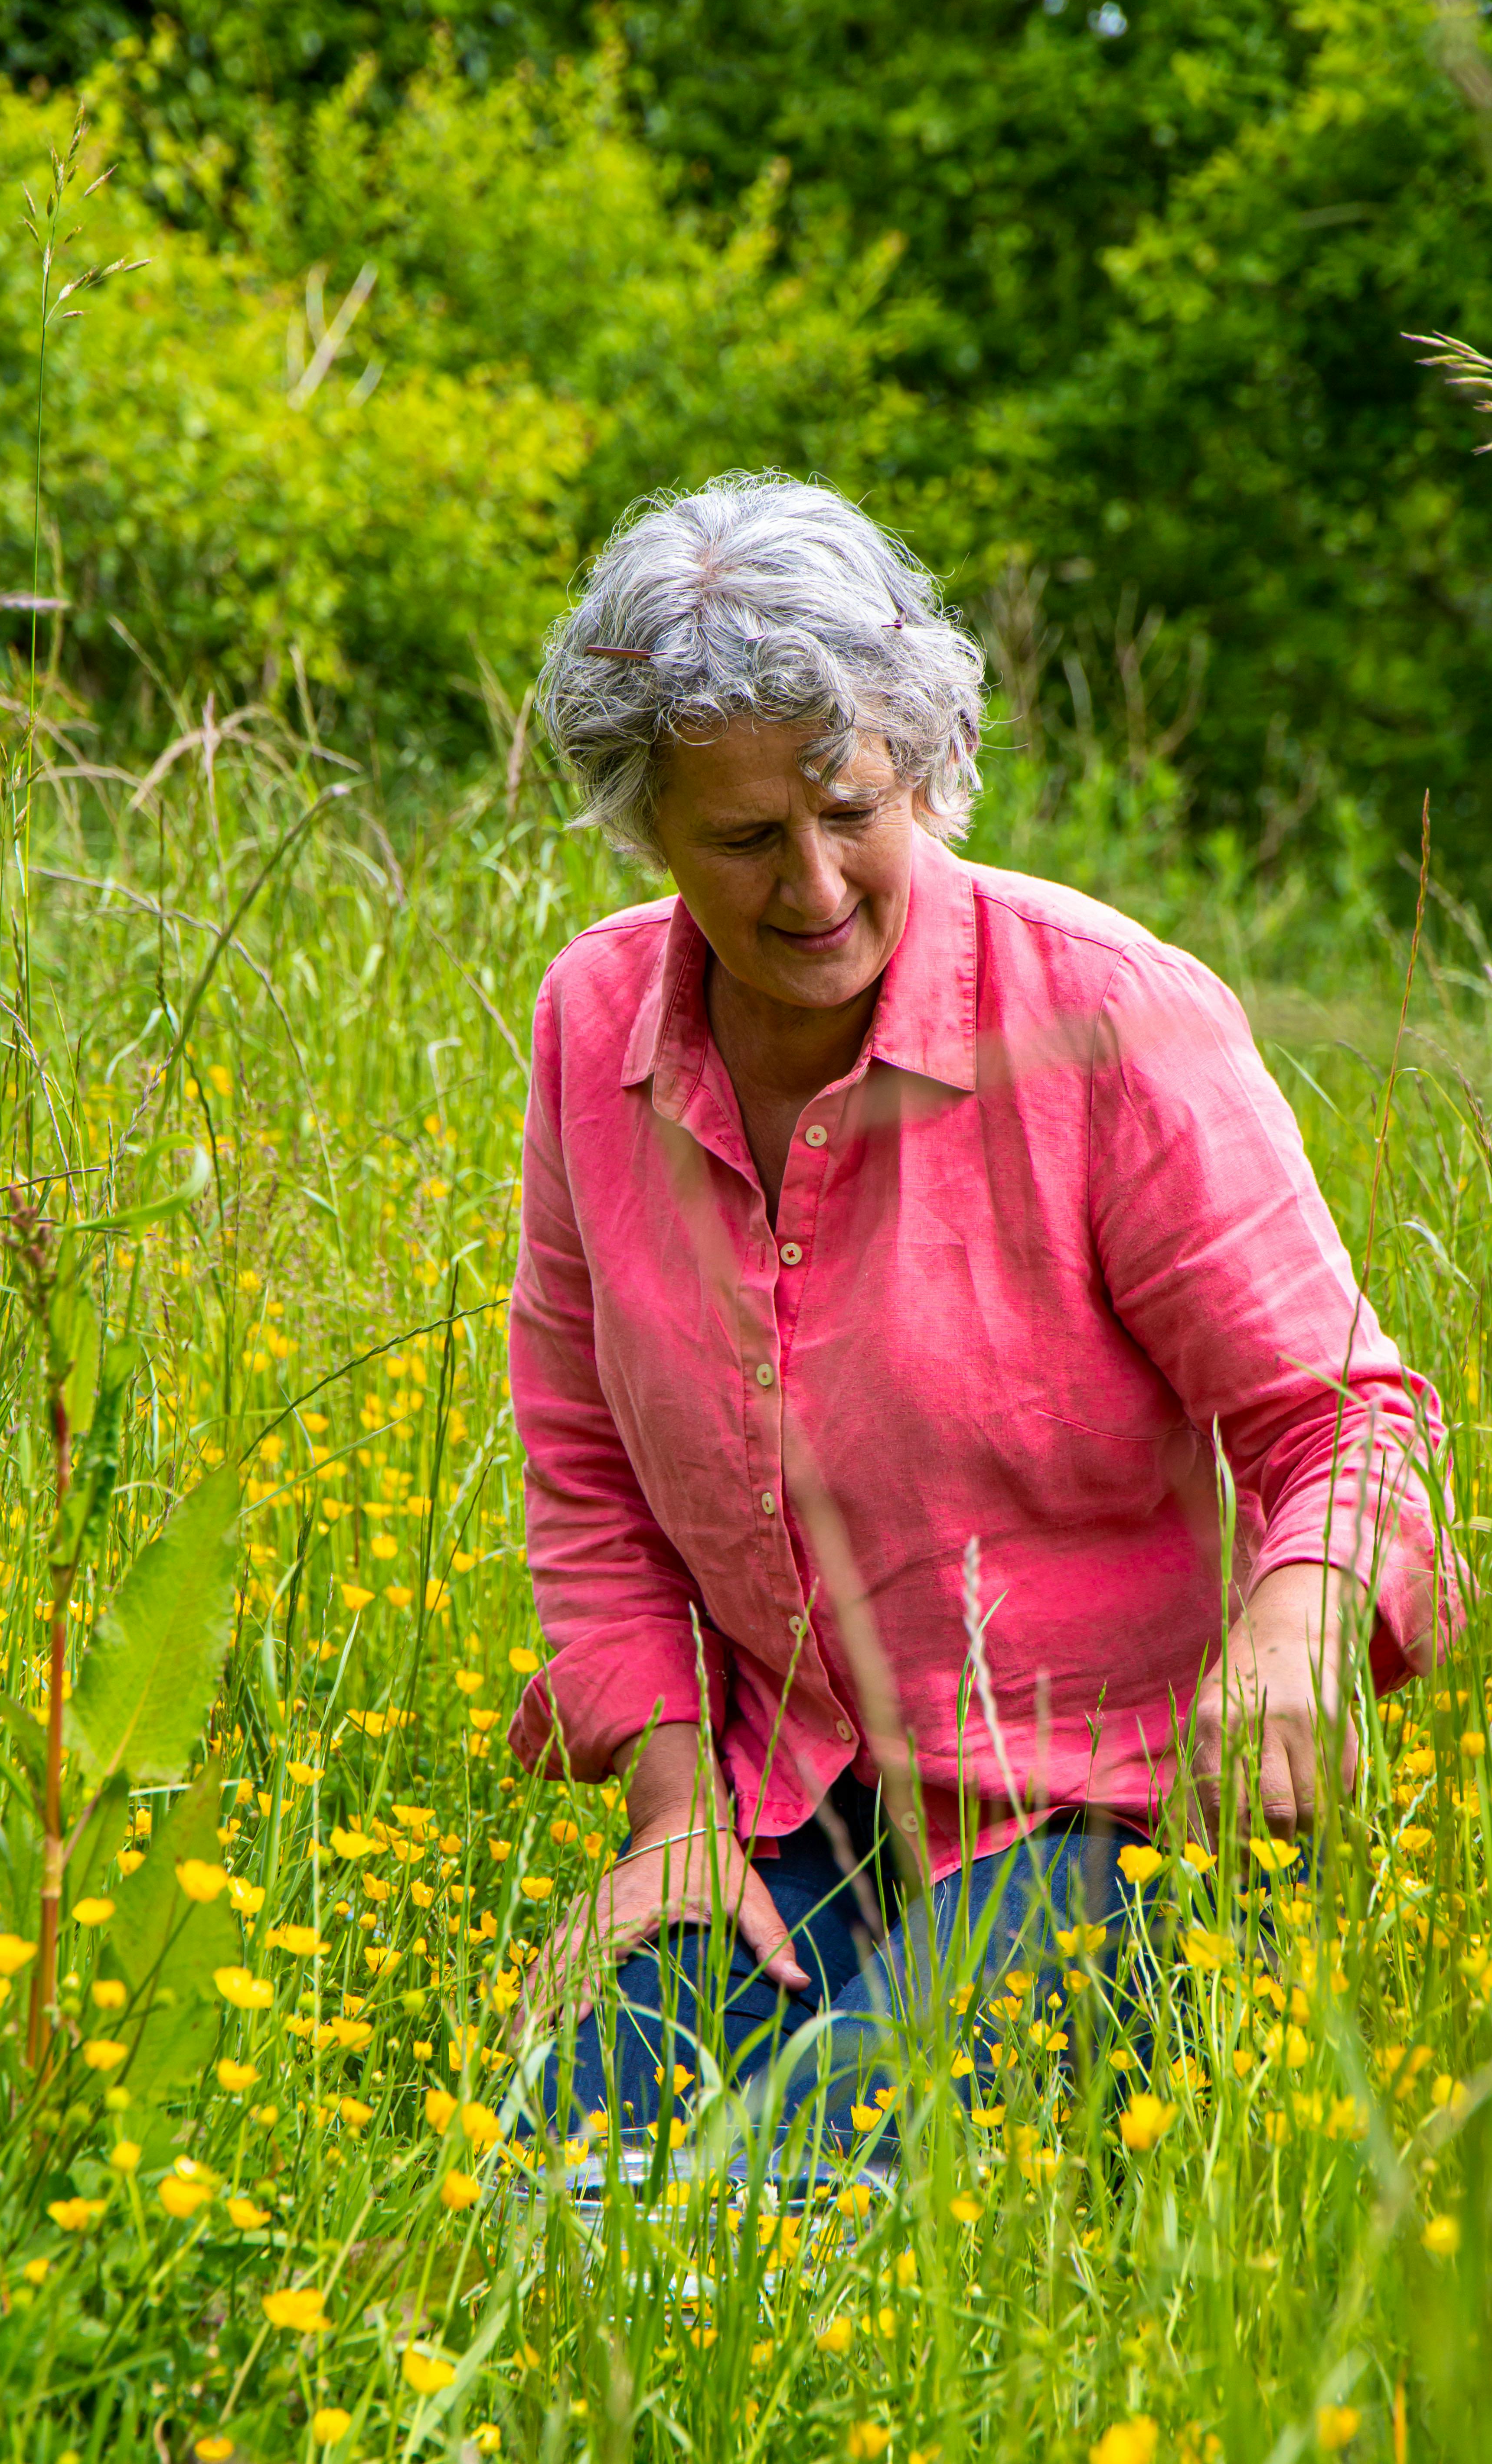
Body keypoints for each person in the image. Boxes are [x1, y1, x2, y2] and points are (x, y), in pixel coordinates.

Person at [501, 470, 1455, 2137]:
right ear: (645, 824)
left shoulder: (1107, 1017)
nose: (812, 885)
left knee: (819, 2165)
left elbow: (1346, 1422)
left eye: (852, 811)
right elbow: (586, 1463)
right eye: (743, 838)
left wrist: (1299, 1629)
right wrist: (672, 1820)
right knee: (562, 2180)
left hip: (1103, 1818)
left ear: (927, 773)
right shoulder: (597, 1024)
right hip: (776, 1804)